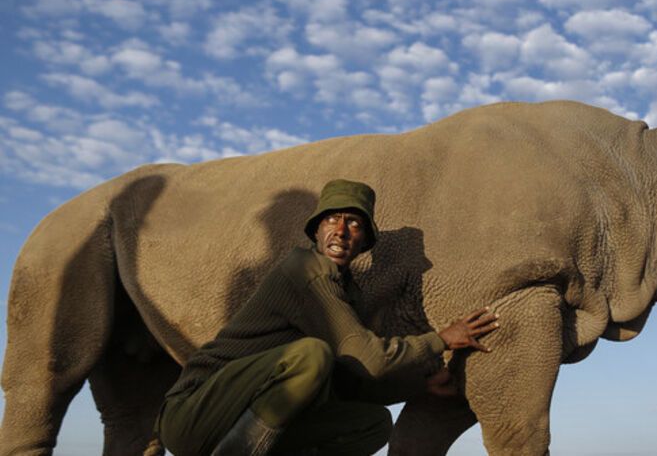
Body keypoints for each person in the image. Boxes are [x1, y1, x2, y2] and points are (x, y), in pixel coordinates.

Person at [156, 178, 499, 455]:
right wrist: (440, 340)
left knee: (373, 424)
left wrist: (419, 385)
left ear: (364, 241)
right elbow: (370, 357)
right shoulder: (305, 269)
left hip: (241, 425)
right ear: (316, 232)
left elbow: (355, 378)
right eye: (332, 219)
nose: (341, 230)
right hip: (193, 415)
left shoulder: (347, 293)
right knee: (311, 355)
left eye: (354, 223)